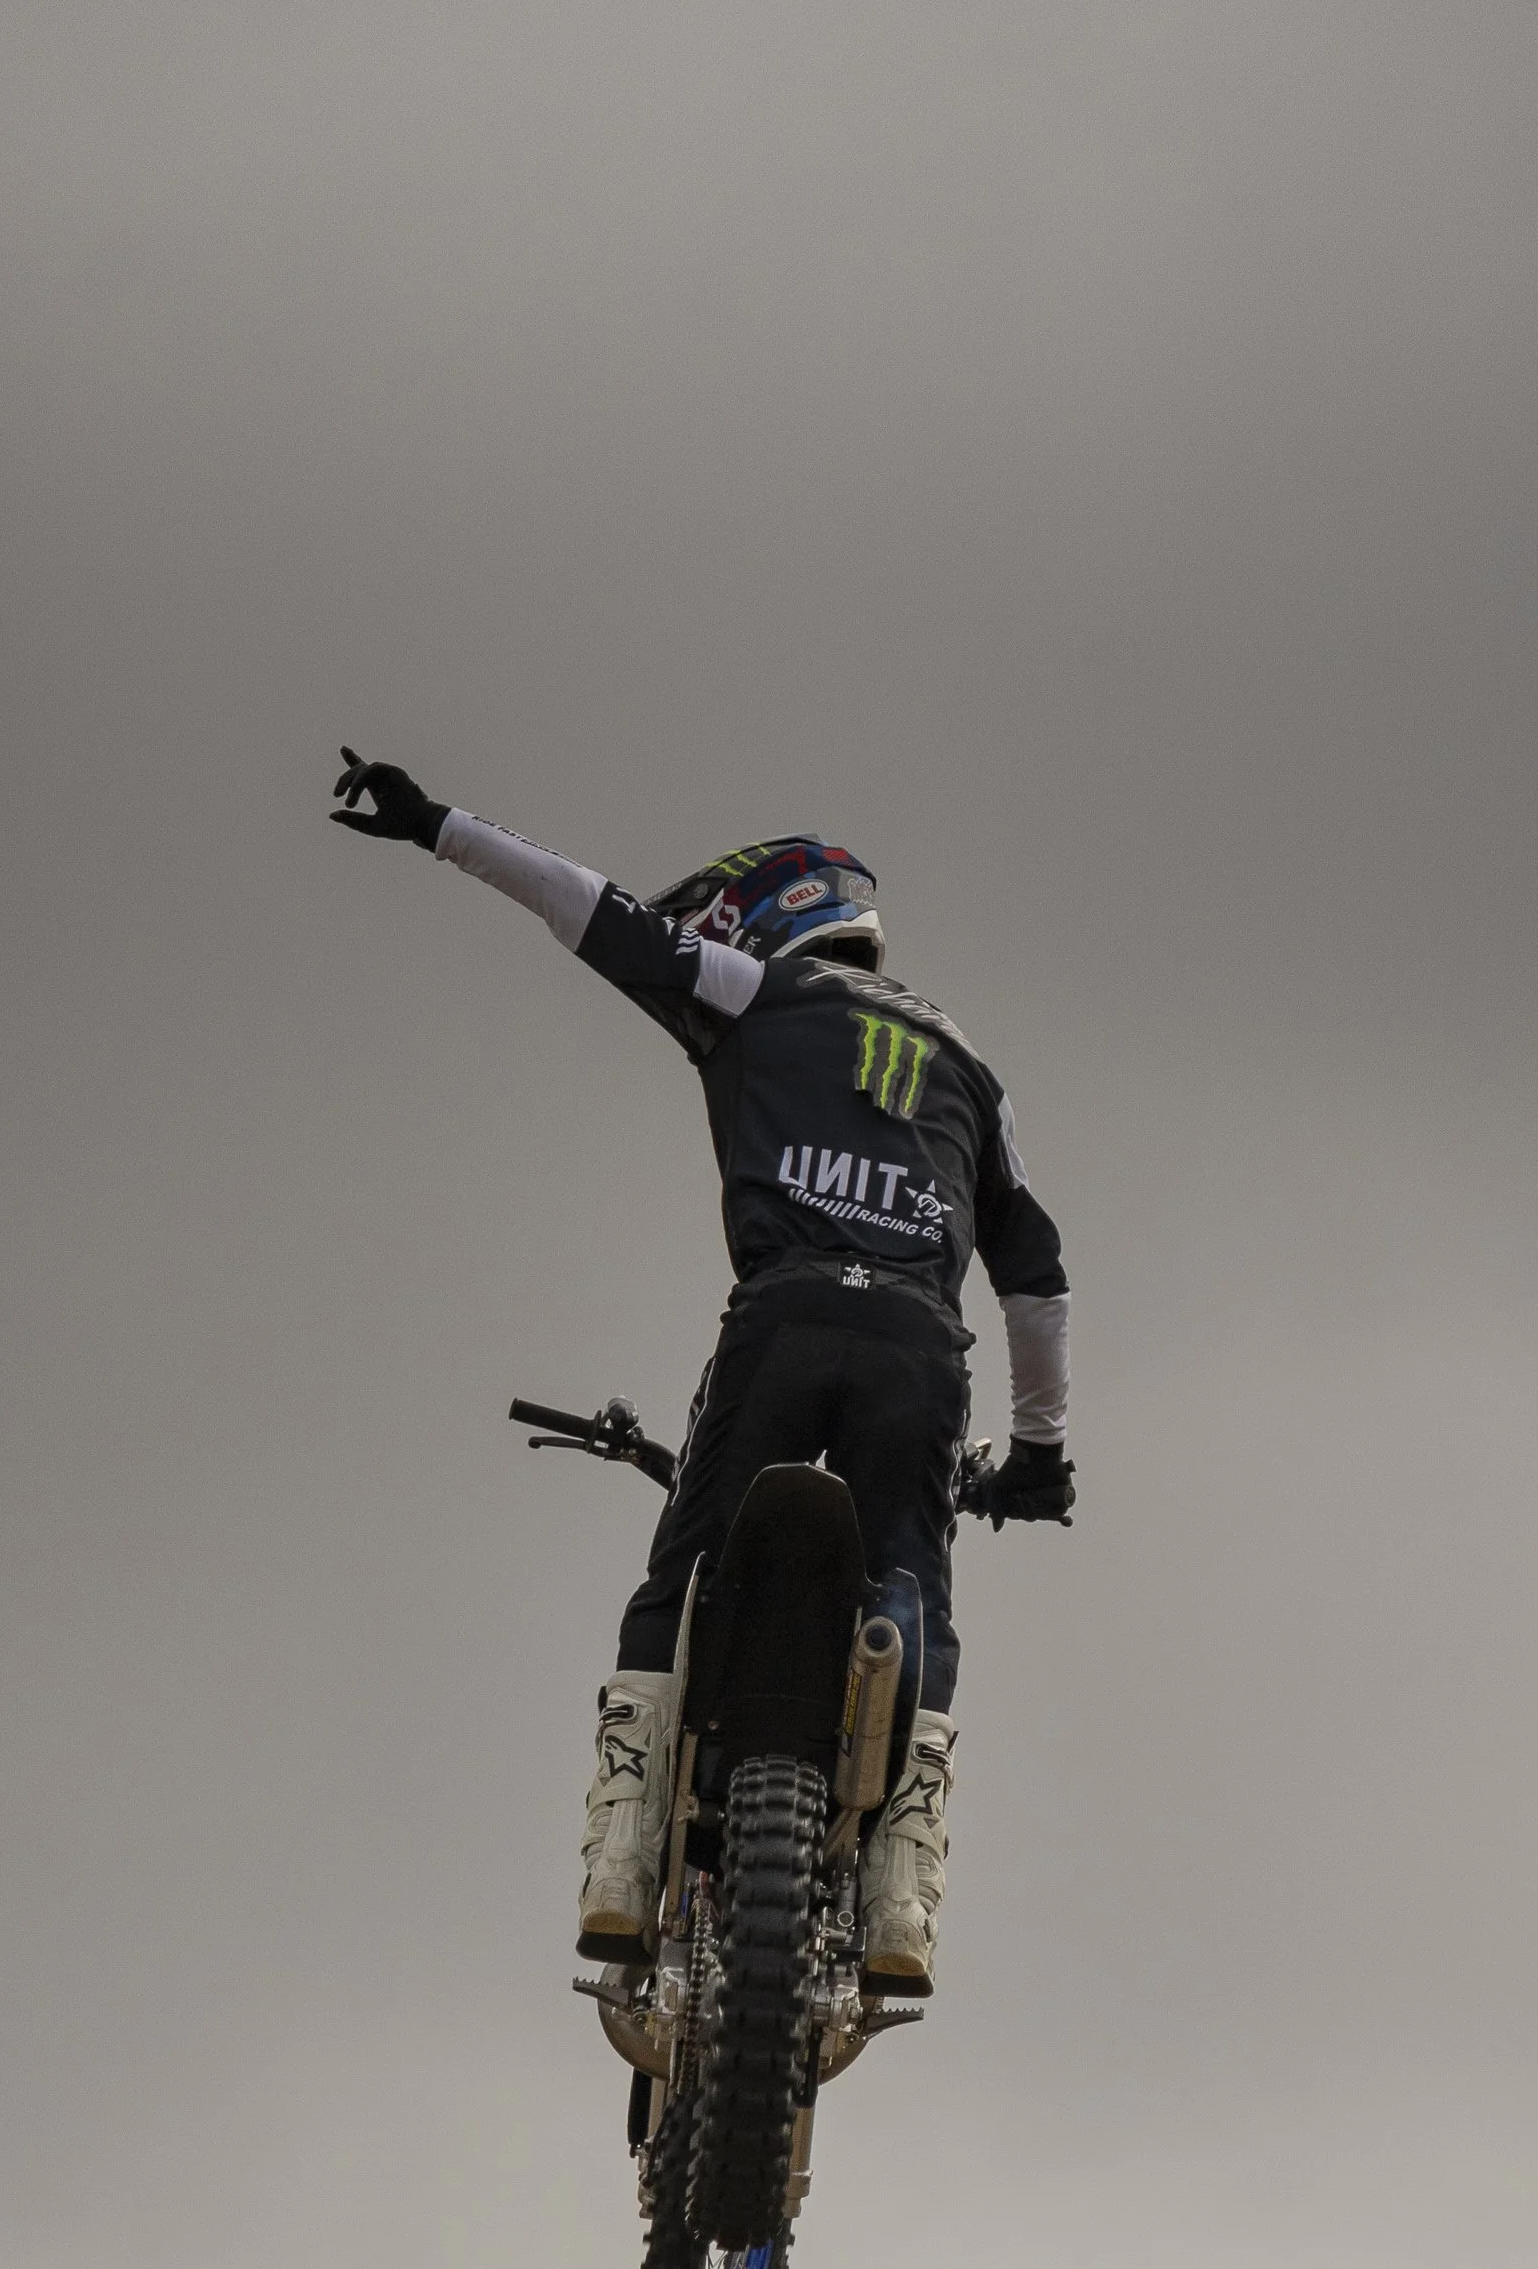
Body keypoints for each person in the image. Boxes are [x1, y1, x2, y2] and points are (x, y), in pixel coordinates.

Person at [331, 753, 1074, 1996]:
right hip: (917, 1353)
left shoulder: (755, 991)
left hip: (781, 1323)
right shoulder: (967, 1070)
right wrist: (1041, 1454)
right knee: (914, 1588)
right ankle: (902, 1875)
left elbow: (590, 911)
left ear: (772, 917)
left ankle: (623, 1862)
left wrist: (438, 826)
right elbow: (1037, 1274)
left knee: (677, 1579)